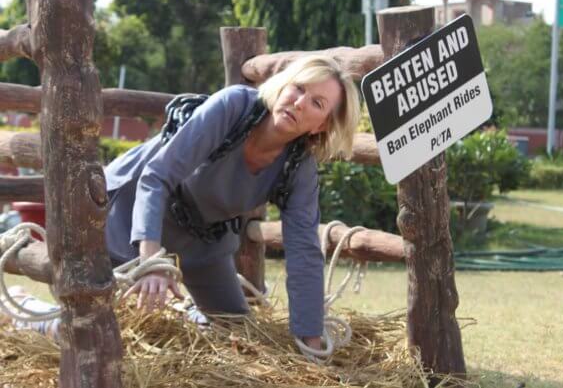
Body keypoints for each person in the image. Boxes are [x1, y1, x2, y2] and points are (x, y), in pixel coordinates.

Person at [0, 55, 355, 349]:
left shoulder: (299, 167)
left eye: (317, 103)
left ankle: (189, 316)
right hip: (126, 216)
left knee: (241, 338)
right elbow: (157, 176)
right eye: (299, 88)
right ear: (284, 84)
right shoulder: (234, 106)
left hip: (202, 240)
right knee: (97, 338)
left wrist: (309, 337)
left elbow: (304, 249)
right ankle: (23, 309)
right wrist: (151, 260)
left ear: (321, 127)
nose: (299, 102)